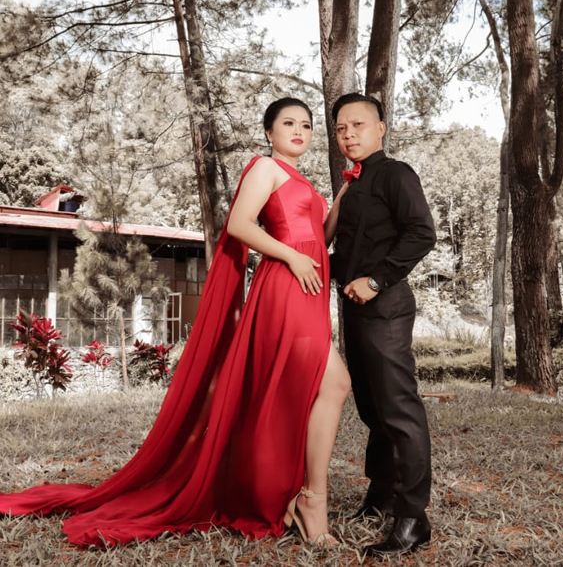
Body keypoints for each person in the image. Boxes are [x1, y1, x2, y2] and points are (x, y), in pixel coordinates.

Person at [0, 97, 350, 548]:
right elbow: (241, 225)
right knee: (332, 383)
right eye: (288, 123)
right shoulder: (265, 167)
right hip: (285, 284)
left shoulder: (302, 180)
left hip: (307, 286)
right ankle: (309, 499)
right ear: (269, 131)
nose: (299, 131)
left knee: (305, 388)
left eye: (306, 125)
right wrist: (291, 257)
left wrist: (339, 204)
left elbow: (317, 238)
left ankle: (293, 492)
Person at [329, 93, 436, 555]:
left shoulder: (396, 174)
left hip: (386, 306)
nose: (348, 134)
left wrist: (375, 280)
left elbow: (422, 233)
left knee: (399, 411)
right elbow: (349, 251)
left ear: (380, 129)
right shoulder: (353, 185)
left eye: (357, 125)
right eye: (340, 128)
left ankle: (413, 518)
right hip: (354, 309)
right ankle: (382, 495)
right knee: (372, 409)